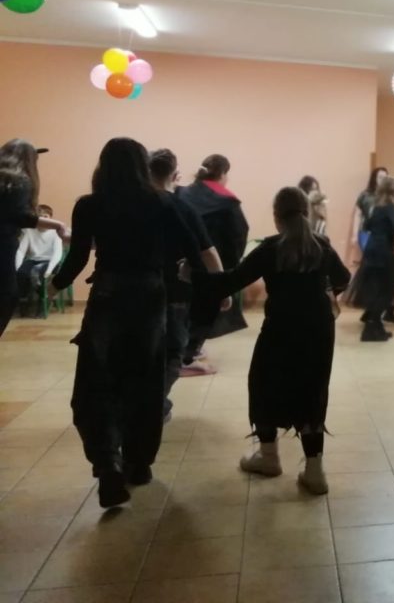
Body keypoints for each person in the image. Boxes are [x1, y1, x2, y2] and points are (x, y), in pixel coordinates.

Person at [50, 138, 204, 509]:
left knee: (97, 383)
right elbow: (191, 249)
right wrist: (199, 282)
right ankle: (140, 464)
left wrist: (54, 285)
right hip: (150, 297)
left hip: (107, 296)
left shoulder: (89, 205)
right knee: (145, 382)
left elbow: (77, 257)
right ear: (141, 166)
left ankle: (108, 464)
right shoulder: (162, 203)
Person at [186, 187, 350, 494]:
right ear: (306, 212)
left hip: (280, 328)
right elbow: (343, 278)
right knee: (312, 390)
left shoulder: (270, 248)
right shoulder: (322, 245)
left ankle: (269, 457)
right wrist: (326, 293)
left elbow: (231, 282)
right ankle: (315, 471)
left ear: (277, 217)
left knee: (263, 385)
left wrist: (191, 275)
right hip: (319, 329)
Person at [148, 150, 228, 421]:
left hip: (138, 290)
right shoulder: (180, 207)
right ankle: (155, 406)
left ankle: (140, 404)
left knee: (143, 351)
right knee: (173, 351)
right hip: (175, 290)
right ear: (175, 174)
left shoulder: (132, 206)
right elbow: (208, 252)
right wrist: (221, 288)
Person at [177, 154, 250, 373]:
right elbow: (238, 234)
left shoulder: (182, 193)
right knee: (205, 309)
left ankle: (185, 349)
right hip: (211, 263)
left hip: (179, 263)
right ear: (223, 173)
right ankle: (188, 356)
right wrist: (230, 266)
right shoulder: (227, 202)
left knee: (181, 308)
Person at [0, 140, 68, 337]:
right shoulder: (19, 181)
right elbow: (20, 216)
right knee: (7, 296)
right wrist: (58, 225)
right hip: (3, 246)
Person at [356, 176, 394, 342]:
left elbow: (366, 225)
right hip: (382, 252)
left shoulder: (378, 207)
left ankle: (375, 328)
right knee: (389, 291)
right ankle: (370, 328)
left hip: (372, 250)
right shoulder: (390, 207)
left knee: (379, 290)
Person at [15, 203, 63, 317]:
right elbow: (20, 251)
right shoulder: (30, 231)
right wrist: (17, 268)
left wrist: (49, 270)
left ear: (50, 218)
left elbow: (57, 254)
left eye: (45, 216)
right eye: (40, 217)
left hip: (50, 262)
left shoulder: (55, 232)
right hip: (34, 260)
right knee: (21, 273)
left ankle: (43, 302)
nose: (43, 219)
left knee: (38, 273)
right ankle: (23, 301)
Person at [349, 166, 388, 263]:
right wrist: (354, 235)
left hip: (382, 235)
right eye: (380, 177)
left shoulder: (388, 197)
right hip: (365, 233)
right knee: (370, 258)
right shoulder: (365, 195)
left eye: (385, 178)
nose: (382, 180)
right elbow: (357, 214)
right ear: (374, 178)